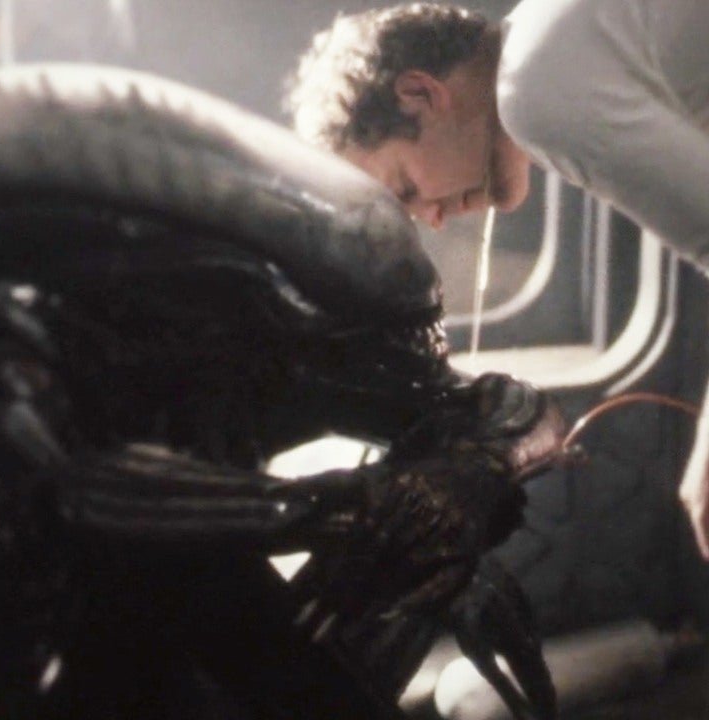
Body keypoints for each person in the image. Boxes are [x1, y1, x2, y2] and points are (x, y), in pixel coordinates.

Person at [286, 0, 709, 559]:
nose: (433, 218)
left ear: (420, 94)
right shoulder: (550, 45)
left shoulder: (534, 94)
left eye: (407, 189)